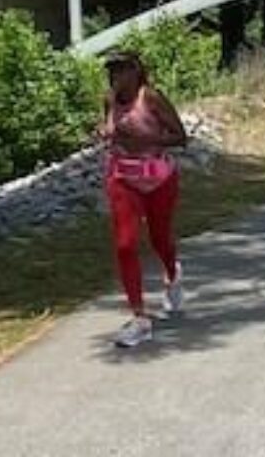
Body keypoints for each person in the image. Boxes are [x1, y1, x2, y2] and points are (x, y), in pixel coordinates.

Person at [100, 53, 189, 349]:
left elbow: (181, 137)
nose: (116, 77)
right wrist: (103, 133)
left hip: (159, 177)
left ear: (136, 72)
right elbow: (108, 131)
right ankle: (139, 319)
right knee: (125, 244)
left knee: (159, 238)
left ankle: (173, 274)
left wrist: (149, 142)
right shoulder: (109, 100)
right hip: (123, 178)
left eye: (122, 70)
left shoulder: (150, 98)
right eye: (112, 71)